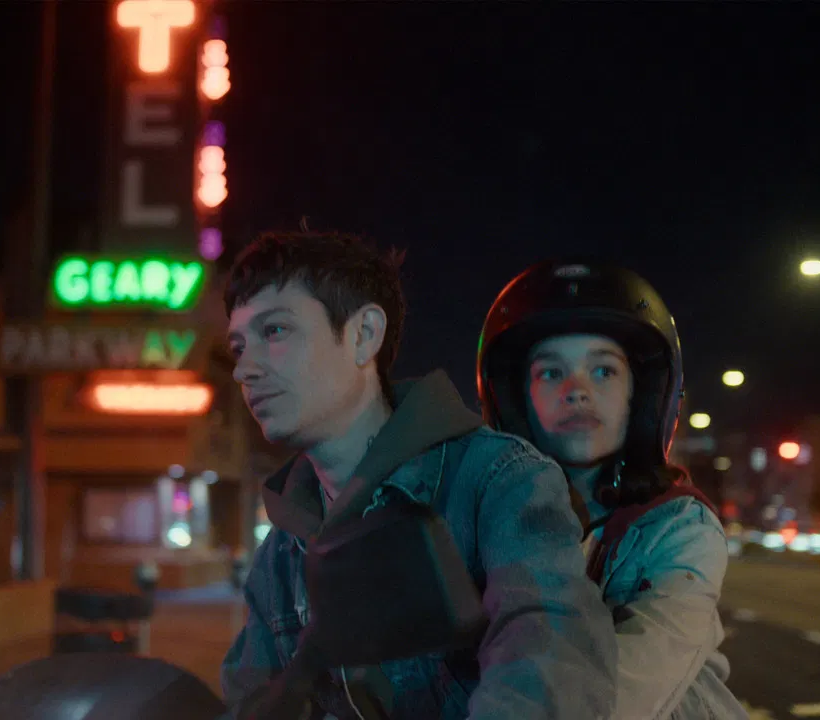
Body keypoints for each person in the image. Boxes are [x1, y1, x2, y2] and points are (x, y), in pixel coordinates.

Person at [220, 232, 617, 719]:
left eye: (275, 331)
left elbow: (550, 663)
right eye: (238, 347)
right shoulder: (280, 554)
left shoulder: (498, 481)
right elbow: (249, 702)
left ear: (364, 334)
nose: (245, 369)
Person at [476, 260, 747, 720]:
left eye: (603, 371)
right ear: (517, 398)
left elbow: (622, 691)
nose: (577, 390)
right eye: (550, 373)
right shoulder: (485, 519)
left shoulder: (681, 528)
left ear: (640, 397)